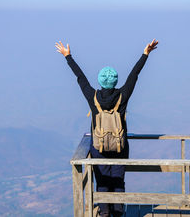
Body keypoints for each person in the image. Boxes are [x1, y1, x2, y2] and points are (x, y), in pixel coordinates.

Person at [55, 39, 159, 217]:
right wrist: (145, 54)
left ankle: (104, 212)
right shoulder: (122, 96)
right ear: (115, 81)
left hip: (98, 147)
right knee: (118, 181)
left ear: (101, 81)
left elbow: (80, 78)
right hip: (120, 147)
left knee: (102, 180)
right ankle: (118, 212)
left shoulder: (92, 97)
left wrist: (68, 56)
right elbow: (134, 75)